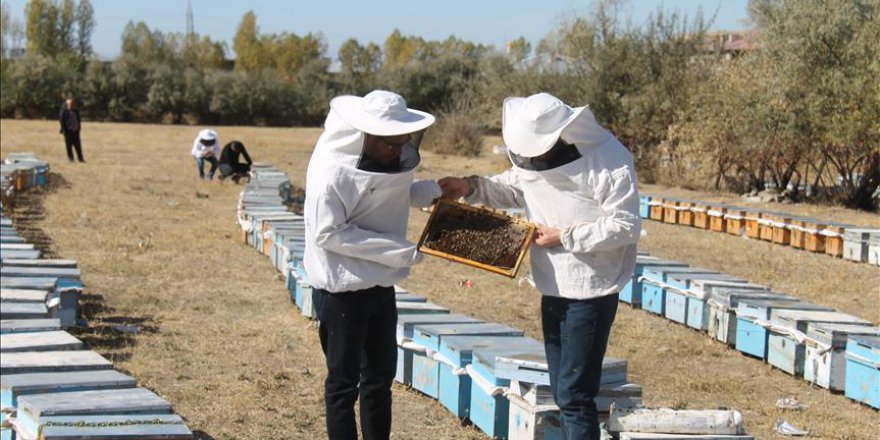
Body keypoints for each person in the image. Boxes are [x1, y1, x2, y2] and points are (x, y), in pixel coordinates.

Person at [439, 92, 640, 440]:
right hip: (552, 283)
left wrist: (566, 236)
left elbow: (625, 225)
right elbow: (517, 187)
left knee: (575, 395)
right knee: (563, 392)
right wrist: (469, 186)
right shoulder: (536, 161)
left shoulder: (609, 161)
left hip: (591, 286)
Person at [303, 90, 438, 440]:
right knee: (343, 385)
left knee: (379, 380)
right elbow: (329, 233)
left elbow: (389, 191)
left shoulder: (384, 156)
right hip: (341, 292)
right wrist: (400, 251)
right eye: (390, 144)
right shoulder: (331, 175)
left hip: (379, 286)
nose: (399, 151)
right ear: (365, 137)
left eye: (403, 142)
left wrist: (435, 191)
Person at [59, 96, 85, 163]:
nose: (72, 105)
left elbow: (78, 120)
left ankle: (81, 159)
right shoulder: (64, 111)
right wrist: (64, 130)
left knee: (78, 146)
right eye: (70, 104)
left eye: (73, 103)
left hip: (76, 131)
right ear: (67, 104)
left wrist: (78, 128)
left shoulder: (75, 111)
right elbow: (61, 121)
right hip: (68, 132)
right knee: (69, 146)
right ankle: (71, 159)